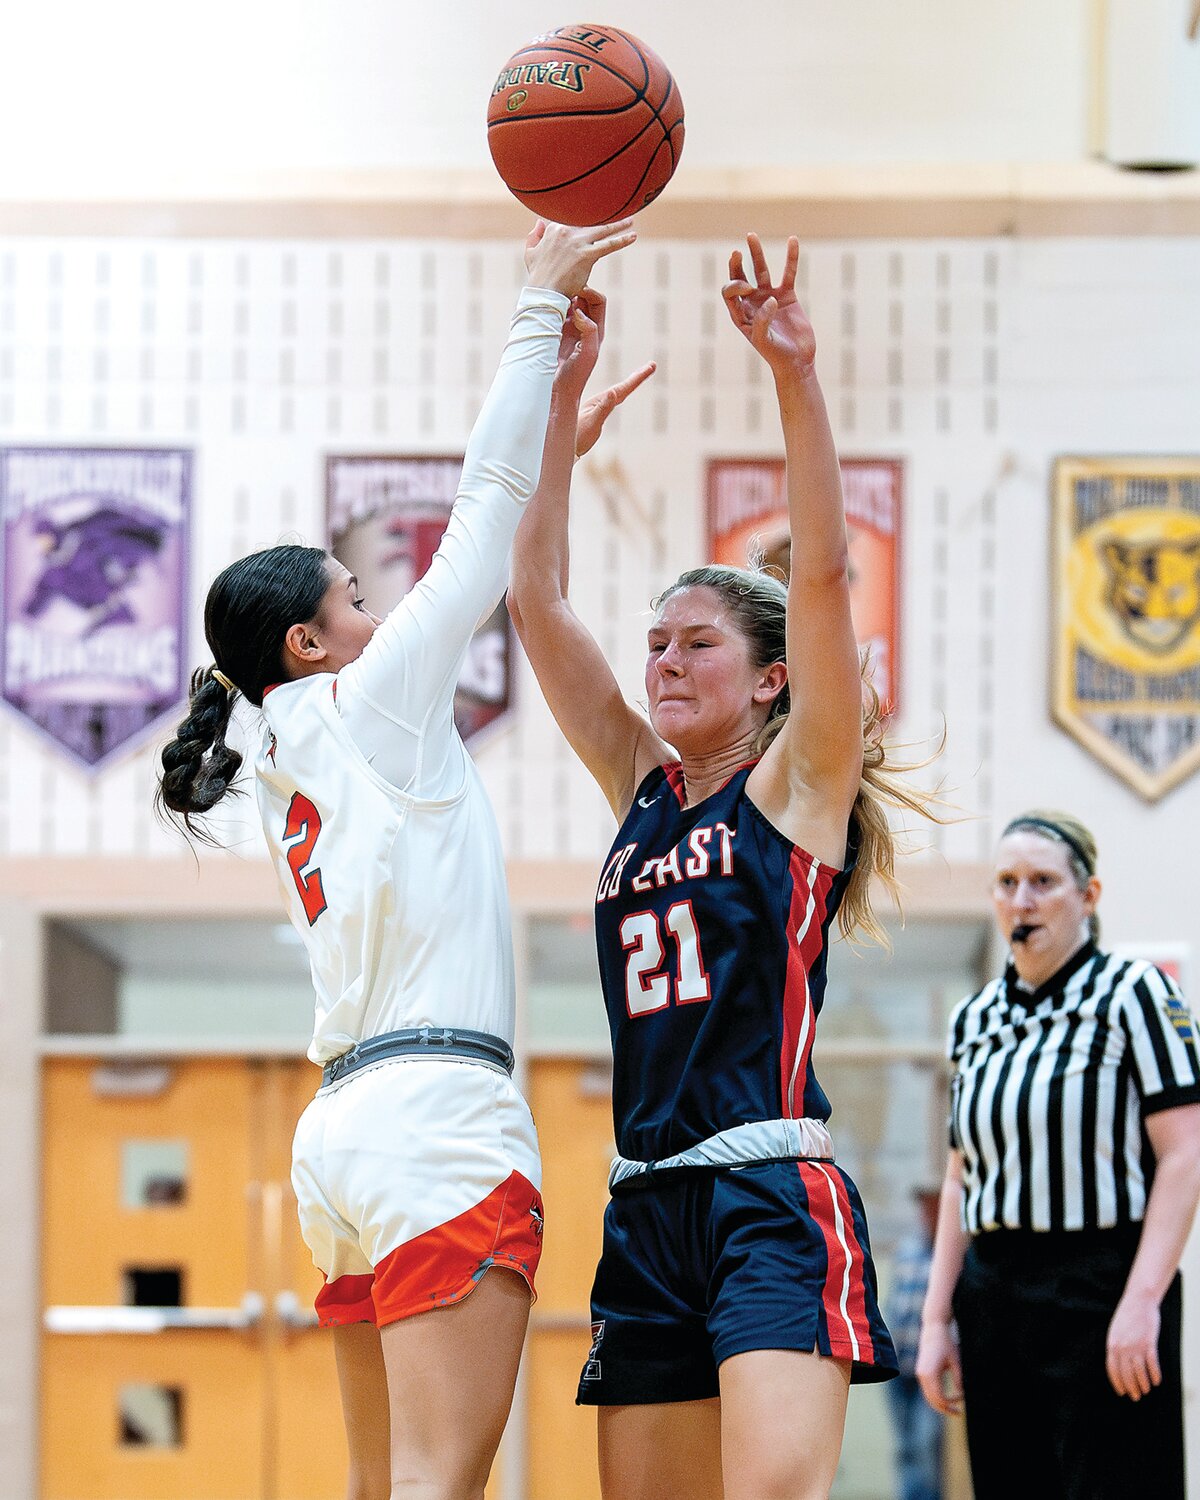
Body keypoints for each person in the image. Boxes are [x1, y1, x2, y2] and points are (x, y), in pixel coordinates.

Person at [155, 218, 637, 1500]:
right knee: (438, 1485)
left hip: (346, 1140)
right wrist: (539, 307)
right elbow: (479, 519)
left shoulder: (275, 745)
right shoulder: (369, 708)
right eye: (356, 603)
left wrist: (552, 446)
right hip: (434, 1120)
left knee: (388, 1487)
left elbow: (498, 516)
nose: (382, 613)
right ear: (310, 645)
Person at [509, 235, 942, 1500]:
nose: (663, 662)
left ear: (768, 678)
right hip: (645, 1203)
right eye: (654, 644)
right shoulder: (638, 787)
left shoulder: (798, 785)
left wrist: (792, 377)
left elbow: (819, 570)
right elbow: (537, 599)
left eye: (695, 642)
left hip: (766, 1190)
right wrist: (550, 427)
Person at [916, 811, 1200, 1500]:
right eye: (1007, 883)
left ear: (1088, 897)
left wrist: (1142, 1301)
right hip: (995, 1293)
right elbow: (961, 1177)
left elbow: (1186, 1153)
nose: (1022, 899)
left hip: (1102, 1283)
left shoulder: (1135, 993)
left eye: (1043, 882)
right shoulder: (974, 1018)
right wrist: (934, 1319)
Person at [885, 1189, 943, 1500]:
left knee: (926, 1445)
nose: (928, 1215)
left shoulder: (948, 1258)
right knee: (905, 1446)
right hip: (899, 1365)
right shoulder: (907, 1249)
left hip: (928, 1369)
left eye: (934, 1208)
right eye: (925, 1208)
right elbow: (894, 1303)